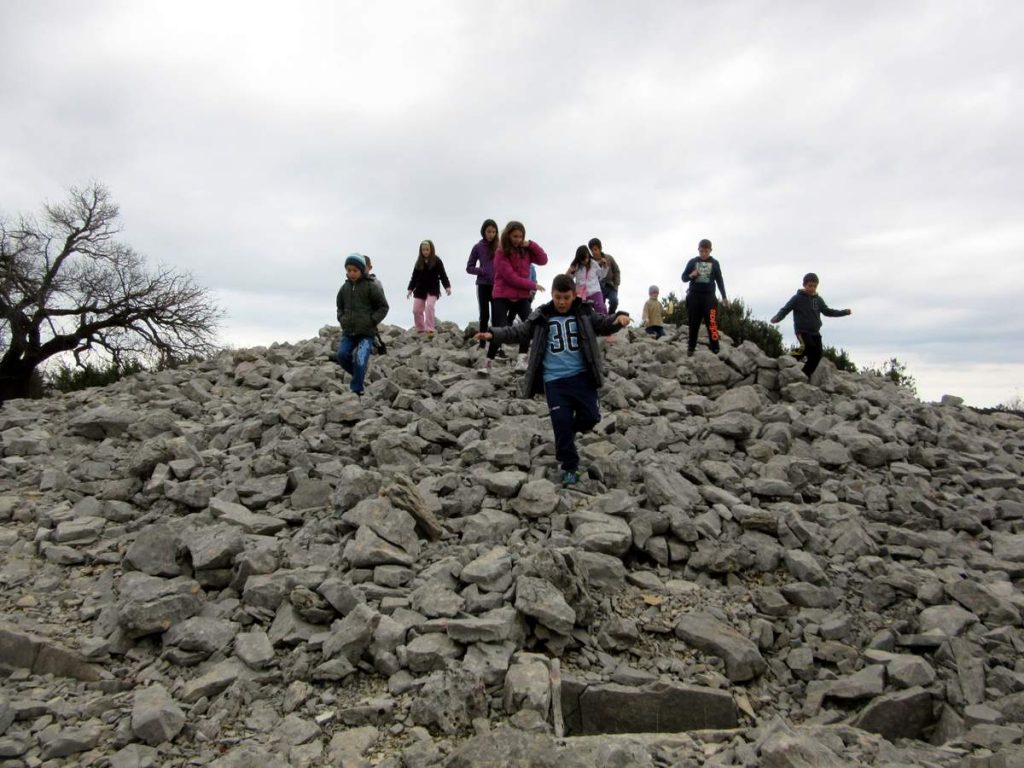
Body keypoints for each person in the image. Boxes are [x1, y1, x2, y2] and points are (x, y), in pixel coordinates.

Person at [475, 274, 630, 486]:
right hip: (554, 380)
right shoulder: (542, 316)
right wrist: (493, 334)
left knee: (591, 417)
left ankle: (567, 432)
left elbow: (603, 324)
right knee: (561, 422)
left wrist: (619, 319)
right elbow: (519, 332)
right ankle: (569, 466)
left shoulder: (584, 312)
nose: (562, 302)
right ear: (552, 295)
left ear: (574, 295)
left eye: (566, 297)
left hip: (582, 378)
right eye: (558, 297)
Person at [483, 220, 548, 374]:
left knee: (528, 324)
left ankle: (521, 360)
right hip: (502, 295)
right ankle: (488, 363)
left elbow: (543, 260)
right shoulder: (500, 253)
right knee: (499, 329)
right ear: (508, 235)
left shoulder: (525, 251)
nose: (518, 239)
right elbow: (511, 278)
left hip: (521, 296)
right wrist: (533, 285)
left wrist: (530, 244)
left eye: (520, 236)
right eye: (515, 236)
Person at [770, 272, 852, 377]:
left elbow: (828, 312)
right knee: (808, 347)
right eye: (810, 286)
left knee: (817, 354)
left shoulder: (818, 300)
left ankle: (805, 374)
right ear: (804, 285)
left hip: (815, 332)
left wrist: (844, 312)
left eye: (815, 286)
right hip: (802, 331)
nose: (812, 288)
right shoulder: (797, 298)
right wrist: (778, 317)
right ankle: (787, 359)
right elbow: (785, 309)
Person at [335, 253, 389, 396]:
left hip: (366, 334)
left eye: (355, 270)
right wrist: (341, 318)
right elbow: (339, 307)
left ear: (362, 270)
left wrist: (372, 321)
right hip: (348, 332)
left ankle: (357, 390)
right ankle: (359, 374)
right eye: (349, 270)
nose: (352, 273)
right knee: (341, 355)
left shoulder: (371, 287)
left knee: (360, 358)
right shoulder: (344, 288)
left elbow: (383, 307)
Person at [681, 238, 729, 356]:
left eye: (706, 251)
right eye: (701, 251)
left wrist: (724, 297)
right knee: (693, 323)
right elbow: (683, 278)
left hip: (709, 298)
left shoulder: (715, 263)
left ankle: (715, 347)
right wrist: (691, 275)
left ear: (710, 250)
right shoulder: (692, 262)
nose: (703, 254)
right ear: (698, 250)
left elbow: (720, 280)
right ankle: (691, 347)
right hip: (694, 297)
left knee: (712, 322)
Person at [407, 240, 451, 334]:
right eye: (423, 250)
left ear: (431, 249)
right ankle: (420, 329)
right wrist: (410, 289)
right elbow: (414, 277)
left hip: (433, 289)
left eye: (427, 249)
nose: (425, 252)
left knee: (429, 306)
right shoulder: (418, 262)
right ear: (421, 251)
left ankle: (430, 329)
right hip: (420, 289)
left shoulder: (437, 261)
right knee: (416, 310)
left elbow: (443, 275)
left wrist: (447, 287)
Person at [466, 219, 499, 348]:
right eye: (488, 231)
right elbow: (469, 267)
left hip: (497, 286)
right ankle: (482, 345)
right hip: (483, 285)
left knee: (496, 316)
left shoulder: (500, 246)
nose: (491, 234)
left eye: (493, 232)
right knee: (484, 315)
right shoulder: (478, 247)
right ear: (483, 232)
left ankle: (496, 346)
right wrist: (482, 271)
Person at [567, 245, 608, 314]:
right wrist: (570, 271)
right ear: (579, 259)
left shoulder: (594, 263)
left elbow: (602, 275)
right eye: (583, 259)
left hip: (594, 290)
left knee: (601, 307)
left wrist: (605, 267)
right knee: (582, 312)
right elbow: (568, 279)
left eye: (587, 257)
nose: (585, 260)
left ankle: (605, 320)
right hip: (581, 294)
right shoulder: (576, 266)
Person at [589, 238, 621, 314]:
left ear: (600, 248)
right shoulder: (590, 263)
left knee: (614, 301)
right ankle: (603, 318)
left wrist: (616, 285)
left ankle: (611, 315)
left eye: (595, 249)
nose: (593, 252)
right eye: (591, 250)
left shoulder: (609, 258)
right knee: (600, 308)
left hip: (610, 286)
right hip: (598, 288)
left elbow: (616, 271)